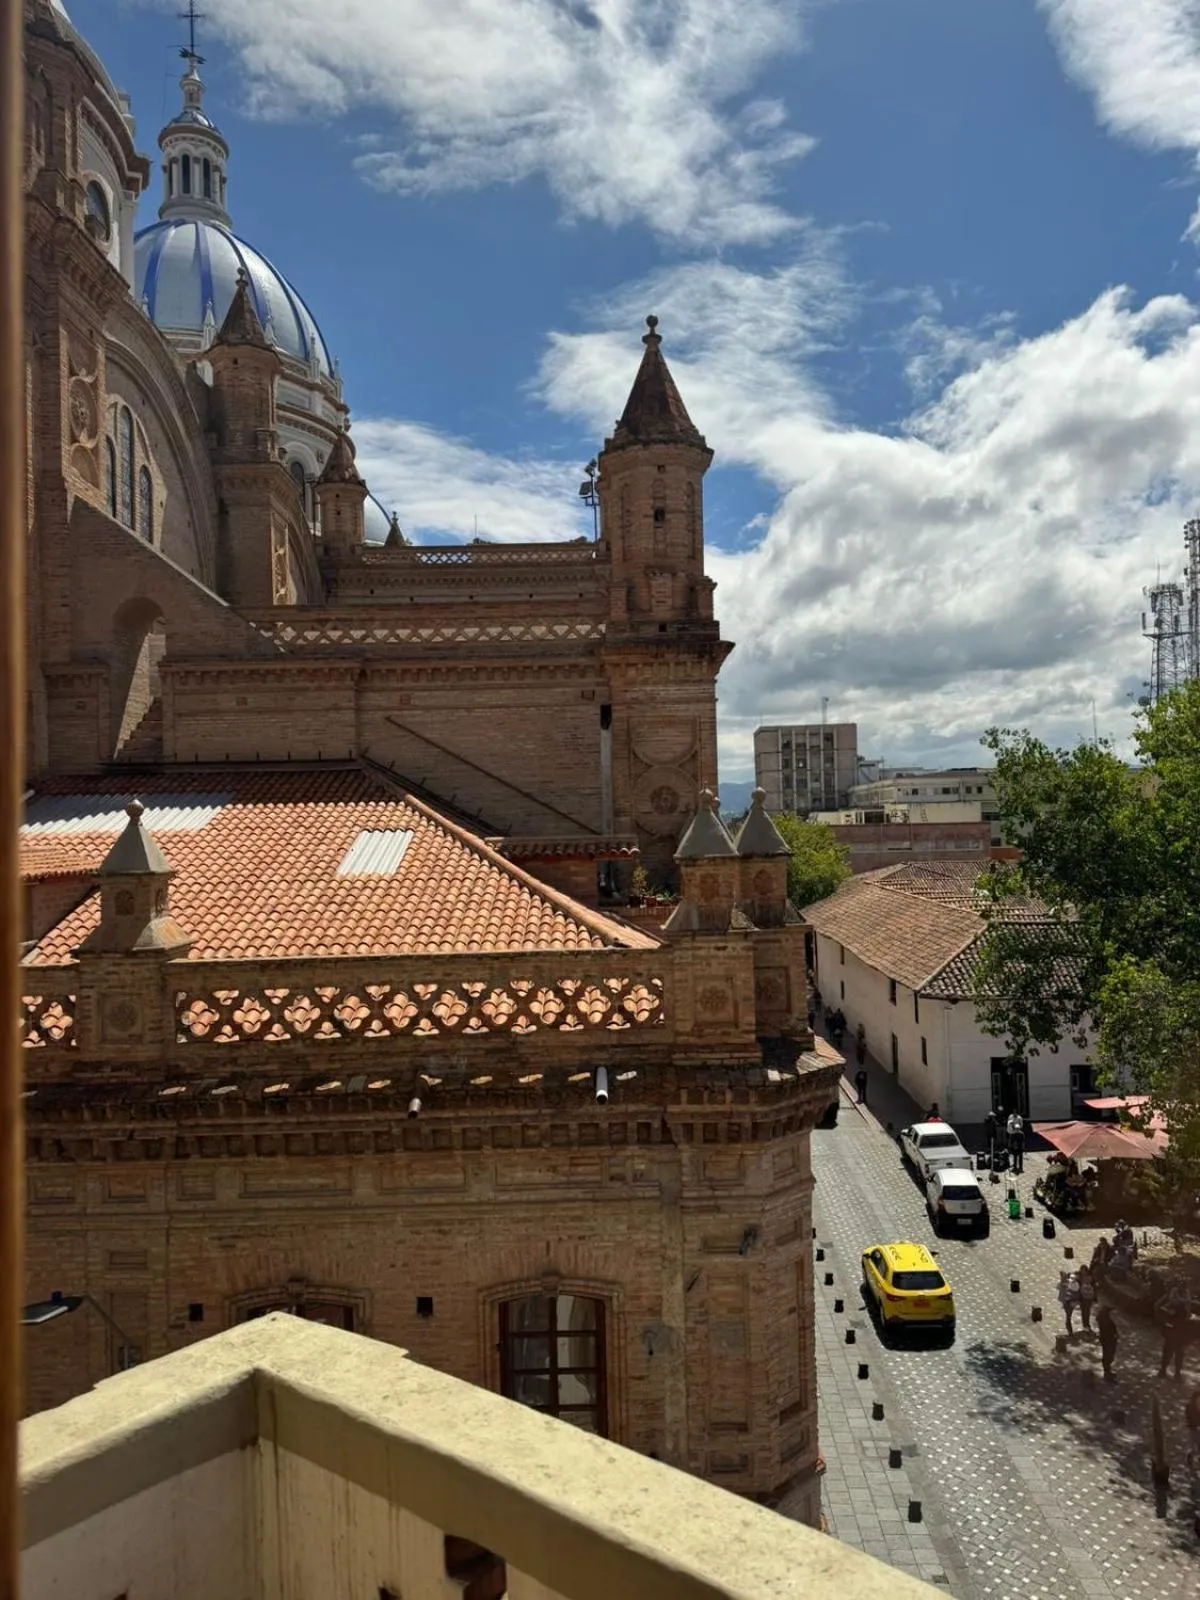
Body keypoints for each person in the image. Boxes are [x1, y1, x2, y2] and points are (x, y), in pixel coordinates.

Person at [1157, 1282, 1193, 1380]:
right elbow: (1161, 1309)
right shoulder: (1173, 1301)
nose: (1183, 1291)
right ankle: (1163, 1371)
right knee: (1169, 1352)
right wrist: (1167, 1323)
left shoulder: (1186, 1303)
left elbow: (1187, 1315)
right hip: (1172, 1331)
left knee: (1179, 1353)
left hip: (1181, 1330)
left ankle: (1176, 1373)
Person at [1097, 1304, 1119, 1382]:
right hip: (1109, 1341)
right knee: (1108, 1357)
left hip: (1105, 1340)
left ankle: (1108, 1372)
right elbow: (1110, 1331)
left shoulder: (1102, 1319)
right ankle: (1108, 1375)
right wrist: (1115, 1336)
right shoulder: (1107, 1321)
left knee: (1107, 1356)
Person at [1059, 1270, 1081, 1335]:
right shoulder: (1066, 1283)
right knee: (1068, 1316)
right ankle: (1069, 1329)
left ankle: (1069, 1329)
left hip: (1071, 1302)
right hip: (1067, 1301)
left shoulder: (1074, 1284)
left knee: (1068, 1316)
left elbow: (1075, 1291)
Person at [1077, 1264, 1097, 1332]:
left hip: (1089, 1297)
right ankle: (1085, 1325)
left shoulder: (1091, 1278)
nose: (1083, 1272)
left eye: (1084, 1271)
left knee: (1087, 1311)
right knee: (1083, 1311)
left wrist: (1094, 1298)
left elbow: (1094, 1288)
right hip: (1082, 1297)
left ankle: (1087, 1324)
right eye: (1082, 1270)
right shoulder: (1079, 1277)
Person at [1006, 1110, 1026, 1175]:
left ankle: (1020, 1167)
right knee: (1015, 1157)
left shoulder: (1022, 1134)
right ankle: (1015, 1167)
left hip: (1019, 1147)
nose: (1017, 1129)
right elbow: (1011, 1141)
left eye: (1018, 1129)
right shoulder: (1013, 1134)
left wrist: (1023, 1147)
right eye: (1016, 1128)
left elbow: (1023, 1141)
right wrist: (1010, 1146)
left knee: (1020, 1157)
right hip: (1015, 1146)